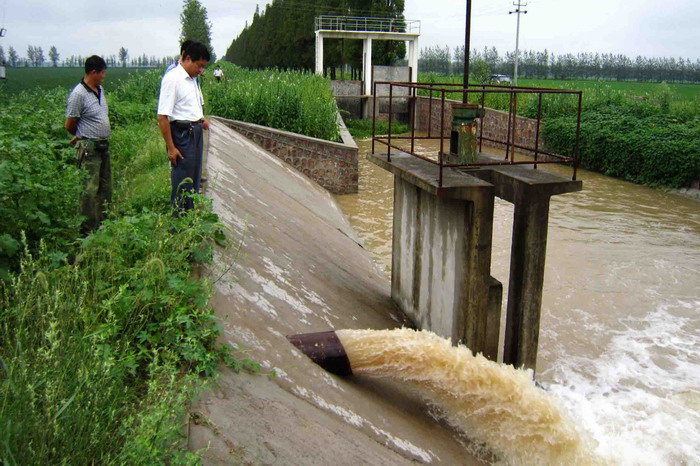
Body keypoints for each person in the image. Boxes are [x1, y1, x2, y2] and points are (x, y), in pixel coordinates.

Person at [156, 41, 210, 214]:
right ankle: (178, 222)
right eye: (199, 65)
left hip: (196, 132)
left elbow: (190, 105)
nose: (200, 70)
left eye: (203, 67)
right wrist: (171, 148)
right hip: (183, 135)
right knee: (182, 181)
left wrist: (201, 119)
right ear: (187, 58)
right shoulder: (173, 79)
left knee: (194, 179)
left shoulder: (192, 79)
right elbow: (162, 117)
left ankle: (189, 217)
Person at [65, 55, 111, 233]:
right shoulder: (78, 94)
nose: (104, 76)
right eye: (102, 73)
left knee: (105, 187)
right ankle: (87, 230)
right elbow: (70, 124)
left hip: (103, 145)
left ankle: (103, 224)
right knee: (89, 190)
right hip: (89, 148)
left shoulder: (100, 90)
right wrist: (81, 136)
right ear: (93, 72)